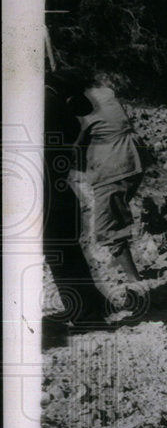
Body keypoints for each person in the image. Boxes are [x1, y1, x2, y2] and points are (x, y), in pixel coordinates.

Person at [43, 69, 115, 325]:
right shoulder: (57, 108)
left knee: (60, 254)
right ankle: (93, 305)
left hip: (44, 193)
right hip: (58, 190)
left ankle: (87, 315)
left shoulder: (45, 106)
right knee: (68, 252)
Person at [72, 74, 151, 283]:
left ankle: (134, 280)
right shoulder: (104, 92)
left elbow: (73, 144)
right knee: (117, 213)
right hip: (135, 157)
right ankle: (121, 262)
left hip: (114, 164)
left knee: (107, 228)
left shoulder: (80, 104)